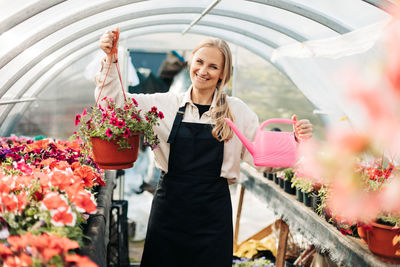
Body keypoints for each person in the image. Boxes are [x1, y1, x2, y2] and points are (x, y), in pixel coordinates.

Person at [96, 30, 313, 267]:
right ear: (191, 62)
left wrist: (297, 142)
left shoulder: (236, 111)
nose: (202, 70)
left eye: (212, 66)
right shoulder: (165, 105)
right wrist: (111, 60)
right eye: (199, 62)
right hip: (170, 209)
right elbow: (114, 105)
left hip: (213, 214)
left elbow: (265, 160)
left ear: (223, 74)